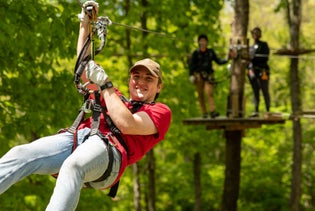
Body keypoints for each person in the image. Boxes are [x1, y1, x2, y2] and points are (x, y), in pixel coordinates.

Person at [0, 2, 171, 211]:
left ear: (158, 86)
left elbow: (126, 124)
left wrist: (106, 84)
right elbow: (84, 70)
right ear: (129, 80)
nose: (140, 82)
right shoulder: (115, 97)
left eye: (148, 78)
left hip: (111, 153)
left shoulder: (160, 111)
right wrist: (85, 24)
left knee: (73, 166)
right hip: (81, 137)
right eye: (136, 76)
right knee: (21, 153)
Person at [189, 34, 230, 118]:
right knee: (200, 95)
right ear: (199, 42)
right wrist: (191, 75)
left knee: (209, 93)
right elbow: (191, 66)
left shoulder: (210, 52)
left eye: (205, 41)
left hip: (208, 76)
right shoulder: (195, 53)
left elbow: (218, 61)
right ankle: (204, 112)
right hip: (198, 76)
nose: (203, 42)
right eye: (201, 41)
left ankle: (212, 111)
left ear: (207, 42)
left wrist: (227, 58)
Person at [247, 27, 270, 117]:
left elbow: (265, 57)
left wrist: (253, 58)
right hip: (253, 72)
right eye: (254, 33)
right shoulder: (251, 48)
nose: (255, 34)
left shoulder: (264, 45)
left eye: (257, 33)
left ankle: (268, 110)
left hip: (263, 70)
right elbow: (248, 60)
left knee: (265, 90)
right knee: (255, 91)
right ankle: (256, 110)